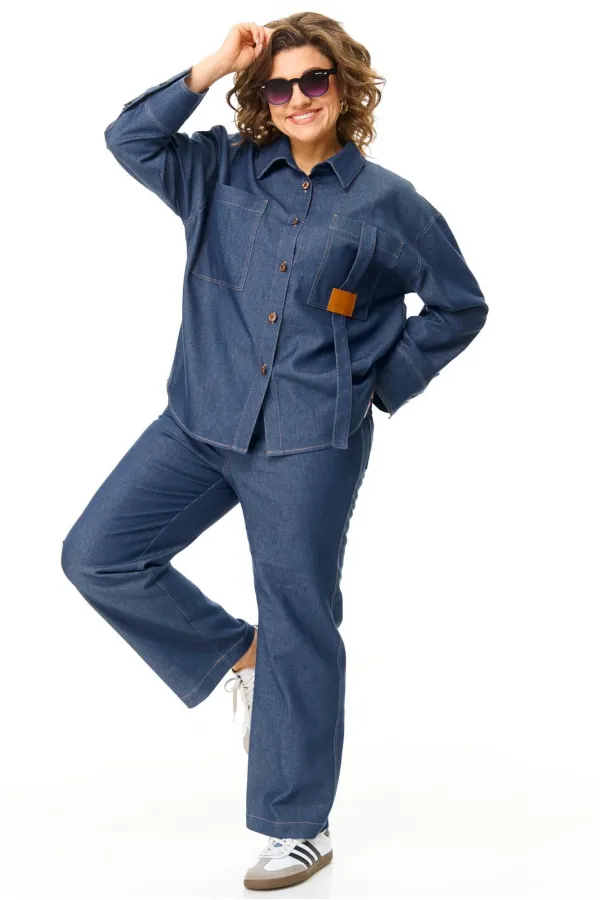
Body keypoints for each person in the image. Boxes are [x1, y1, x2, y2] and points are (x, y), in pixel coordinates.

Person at [61, 12, 488, 891]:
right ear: (262, 96)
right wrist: (215, 65)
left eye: (314, 80)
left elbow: (460, 304)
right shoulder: (216, 170)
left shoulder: (389, 204)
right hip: (199, 417)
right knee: (97, 554)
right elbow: (127, 139)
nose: (298, 98)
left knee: (301, 619)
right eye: (281, 85)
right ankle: (240, 656)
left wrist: (378, 383)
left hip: (309, 439)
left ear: (344, 86)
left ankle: (300, 829)